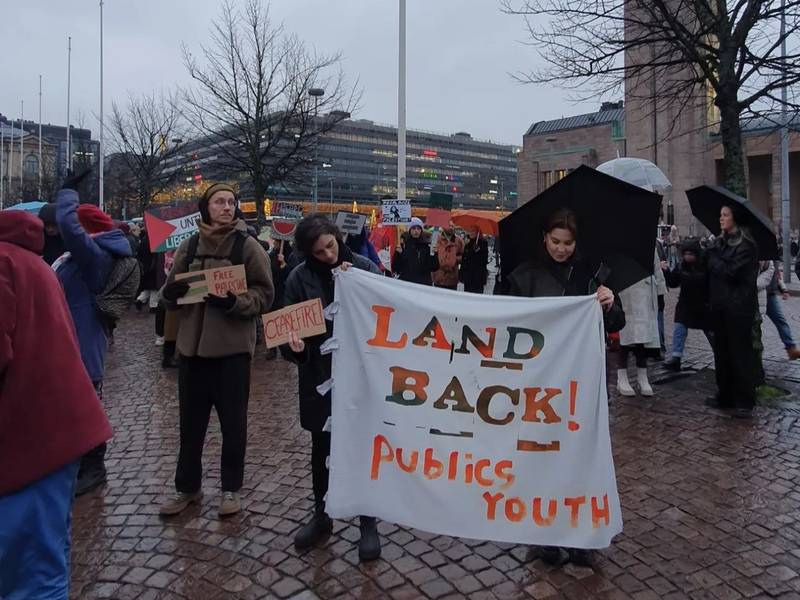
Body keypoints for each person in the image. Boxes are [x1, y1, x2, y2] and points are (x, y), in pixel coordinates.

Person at [500, 207, 624, 568]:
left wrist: (610, 303)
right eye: (556, 241)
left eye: (568, 243)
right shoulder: (523, 276)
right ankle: (544, 535)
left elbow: (616, 322)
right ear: (544, 238)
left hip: (581, 384)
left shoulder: (592, 275)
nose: (561, 249)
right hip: (538, 384)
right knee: (539, 457)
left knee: (579, 457)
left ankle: (580, 534)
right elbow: (505, 323)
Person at [0, 210, 112, 599]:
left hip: (29, 440)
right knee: (42, 564)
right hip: (50, 432)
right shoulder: (32, 260)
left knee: (31, 574)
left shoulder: (8, 261)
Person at [159, 183, 274, 517]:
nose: (226, 207)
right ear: (205, 207)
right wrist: (173, 293)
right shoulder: (189, 245)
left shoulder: (247, 246)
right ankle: (187, 489)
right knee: (190, 425)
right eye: (219, 202)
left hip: (231, 353)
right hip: (192, 353)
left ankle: (230, 490)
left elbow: (265, 294)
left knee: (233, 425)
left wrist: (235, 303)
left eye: (231, 202)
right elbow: (169, 294)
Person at [280, 215, 383, 562]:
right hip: (318, 377)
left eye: (331, 245)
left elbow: (386, 318)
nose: (328, 253)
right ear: (308, 253)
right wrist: (296, 348)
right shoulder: (298, 278)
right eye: (320, 251)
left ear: (338, 237)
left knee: (362, 447)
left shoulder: (366, 268)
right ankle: (322, 515)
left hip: (361, 375)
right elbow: (289, 329)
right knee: (321, 448)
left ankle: (368, 522)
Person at [54, 172, 134, 496]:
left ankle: (94, 466)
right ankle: (79, 462)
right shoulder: (82, 256)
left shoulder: (95, 256)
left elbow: (69, 227)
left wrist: (67, 194)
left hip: (83, 343)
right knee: (76, 405)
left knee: (87, 405)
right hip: (69, 340)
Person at [705, 205, 760, 419]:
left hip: (738, 309)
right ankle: (725, 395)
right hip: (721, 307)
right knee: (722, 354)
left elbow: (730, 272)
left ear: (735, 218)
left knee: (739, 354)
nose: (721, 218)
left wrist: (713, 257)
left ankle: (744, 401)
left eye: (725, 215)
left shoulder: (746, 246)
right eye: (720, 215)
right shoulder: (722, 242)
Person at [616, 250, 664, 397]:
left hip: (645, 292)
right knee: (624, 336)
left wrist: (660, 291)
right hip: (625, 293)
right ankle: (622, 376)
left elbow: (656, 266)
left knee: (644, 338)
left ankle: (642, 376)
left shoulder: (648, 243)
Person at [663, 239, 714, 371]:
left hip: (703, 305)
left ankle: (721, 355)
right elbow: (673, 282)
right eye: (686, 254)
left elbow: (712, 285)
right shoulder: (681, 266)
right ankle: (676, 358)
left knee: (711, 333)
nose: (688, 256)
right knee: (679, 330)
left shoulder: (706, 266)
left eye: (691, 254)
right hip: (685, 305)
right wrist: (666, 271)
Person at [765, 260, 800, 360]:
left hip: (770, 295)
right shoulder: (759, 254)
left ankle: (791, 349)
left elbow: (777, 276)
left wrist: (784, 290)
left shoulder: (773, 257)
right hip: (757, 295)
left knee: (781, 320)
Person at [393, 217, 439, 285]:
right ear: (410, 230)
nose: (416, 231)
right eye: (414, 228)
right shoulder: (403, 245)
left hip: (422, 284)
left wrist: (434, 254)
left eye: (418, 228)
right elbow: (396, 267)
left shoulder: (427, 246)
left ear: (421, 230)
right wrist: (398, 254)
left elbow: (434, 267)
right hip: (406, 283)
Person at [460, 226, 489, 293]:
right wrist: (461, 275)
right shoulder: (467, 245)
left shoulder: (483, 243)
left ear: (478, 232)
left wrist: (478, 250)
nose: (471, 233)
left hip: (478, 278)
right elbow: (464, 260)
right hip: (468, 277)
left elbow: (484, 260)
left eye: (473, 231)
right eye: (470, 231)